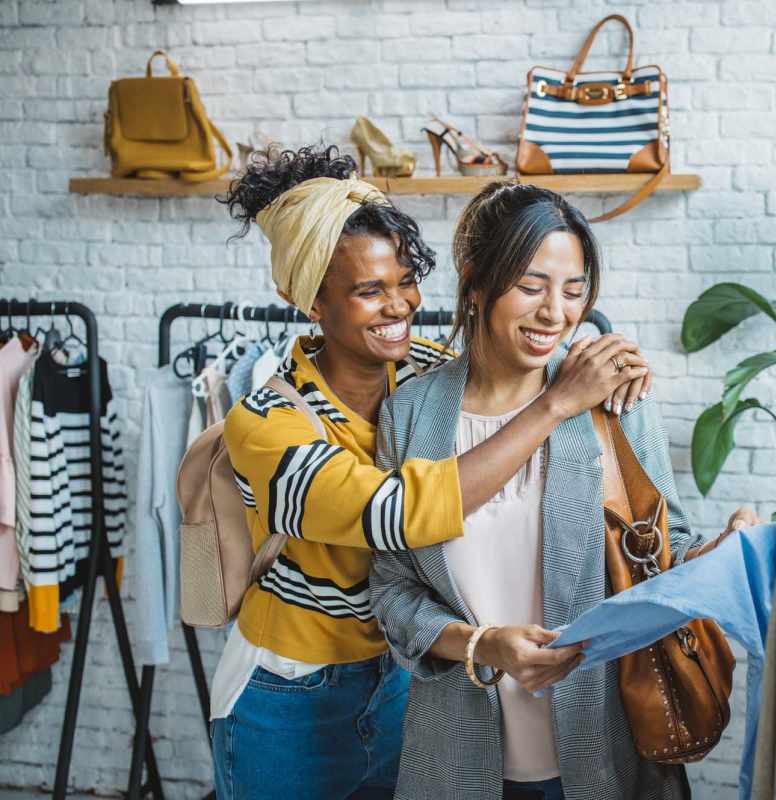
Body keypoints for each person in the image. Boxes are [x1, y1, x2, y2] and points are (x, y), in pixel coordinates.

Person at [209, 148, 654, 800]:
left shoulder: (420, 374)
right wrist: (556, 403)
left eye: (405, 281)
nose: (399, 307)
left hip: (398, 687)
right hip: (292, 692)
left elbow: (495, 363)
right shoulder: (268, 422)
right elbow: (397, 517)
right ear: (305, 301)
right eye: (368, 291)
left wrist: (611, 363)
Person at [370, 182, 755, 800]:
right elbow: (391, 592)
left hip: (606, 749)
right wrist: (481, 644)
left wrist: (725, 554)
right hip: (454, 757)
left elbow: (661, 550)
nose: (556, 312)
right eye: (531, 286)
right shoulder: (409, 414)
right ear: (475, 280)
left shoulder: (614, 398)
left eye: (573, 291)